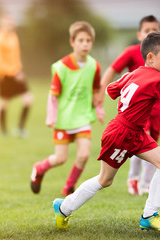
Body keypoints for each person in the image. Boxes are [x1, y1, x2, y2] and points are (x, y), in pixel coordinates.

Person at [52, 32, 160, 234]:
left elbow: (111, 89)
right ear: (151, 57)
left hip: (136, 132)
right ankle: (63, 208)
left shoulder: (134, 72)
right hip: (121, 134)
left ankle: (149, 216)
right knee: (105, 180)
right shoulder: (159, 79)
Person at [94, 15, 160, 196]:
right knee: (141, 140)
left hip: (155, 109)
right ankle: (135, 178)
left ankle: (145, 183)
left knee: (151, 145)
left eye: (155, 30)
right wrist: (100, 92)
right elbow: (112, 70)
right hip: (135, 110)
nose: (151, 34)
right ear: (139, 34)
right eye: (147, 30)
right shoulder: (131, 52)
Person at [30, 21, 104, 196]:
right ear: (72, 42)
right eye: (81, 40)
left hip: (83, 118)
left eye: (88, 40)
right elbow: (53, 95)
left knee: (84, 154)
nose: (85, 44)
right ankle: (39, 168)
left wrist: (99, 110)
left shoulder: (95, 66)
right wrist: (51, 117)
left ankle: (69, 186)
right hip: (64, 120)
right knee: (60, 159)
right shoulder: (61, 67)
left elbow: (96, 92)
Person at [0, 15, 33, 138]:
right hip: (5, 76)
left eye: (11, 23)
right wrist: (14, 72)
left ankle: (20, 129)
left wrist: (19, 70)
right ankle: (3, 131)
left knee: (28, 100)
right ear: (1, 24)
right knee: (4, 103)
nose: (9, 26)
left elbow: (15, 57)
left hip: (16, 74)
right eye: (7, 24)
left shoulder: (14, 36)